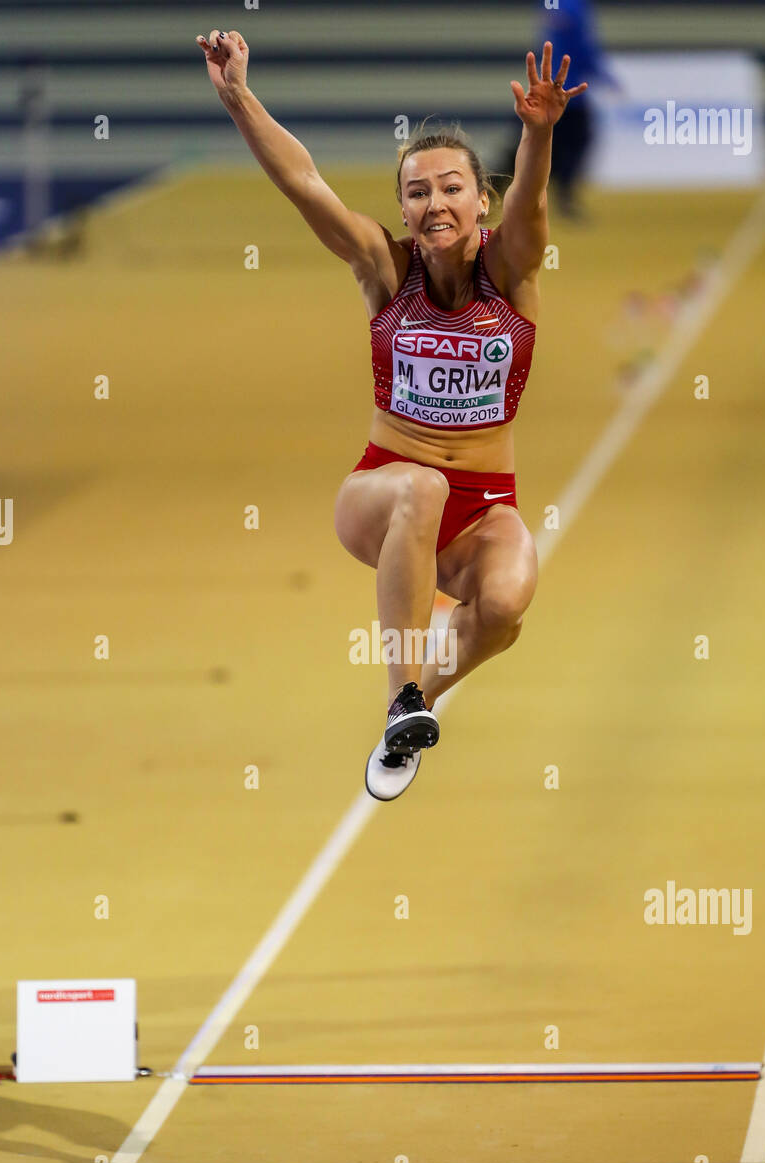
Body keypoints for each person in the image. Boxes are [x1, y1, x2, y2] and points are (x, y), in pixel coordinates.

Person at [197, 29, 586, 800]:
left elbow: (535, 205)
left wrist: (538, 134)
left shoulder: (509, 272)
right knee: (422, 489)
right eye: (417, 191)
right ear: (403, 209)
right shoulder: (385, 269)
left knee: (506, 605)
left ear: (483, 200)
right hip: (382, 492)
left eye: (450, 187)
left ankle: (414, 712)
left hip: (487, 505)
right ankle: (400, 692)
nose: (434, 202)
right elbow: (305, 183)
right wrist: (239, 98)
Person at [496, 0, 614, 217]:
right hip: (563, 93)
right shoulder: (573, 7)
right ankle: (563, 195)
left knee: (530, 145)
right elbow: (581, 45)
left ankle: (494, 187)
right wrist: (602, 74)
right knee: (571, 142)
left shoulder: (563, 5)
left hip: (556, 88)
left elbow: (568, 34)